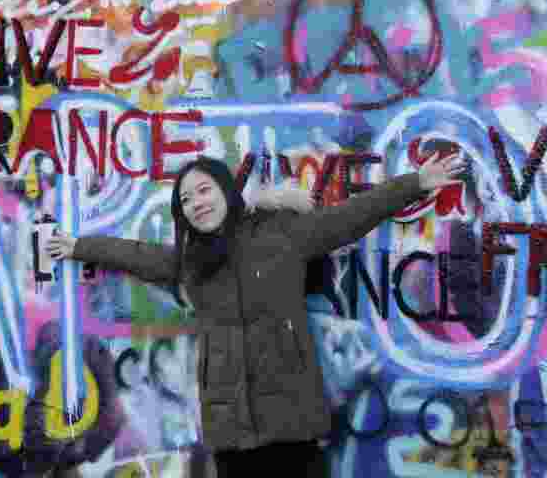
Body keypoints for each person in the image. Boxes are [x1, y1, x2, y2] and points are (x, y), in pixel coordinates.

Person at [47, 152, 464, 477]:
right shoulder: (191, 263)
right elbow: (134, 255)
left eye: (204, 190)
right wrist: (78, 246)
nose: (196, 203)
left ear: (227, 192)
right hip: (231, 433)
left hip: (293, 425)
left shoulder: (282, 235)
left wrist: (416, 183)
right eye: (186, 199)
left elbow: (352, 217)